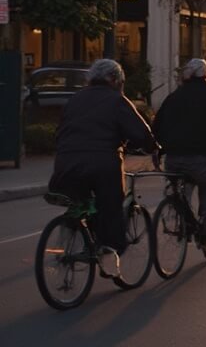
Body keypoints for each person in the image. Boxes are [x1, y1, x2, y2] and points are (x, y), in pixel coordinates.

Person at [48, 59, 157, 278]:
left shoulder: (75, 99)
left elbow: (59, 132)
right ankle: (109, 248)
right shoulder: (117, 100)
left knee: (80, 200)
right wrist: (153, 147)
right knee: (111, 204)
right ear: (115, 80)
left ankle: (75, 231)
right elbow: (140, 133)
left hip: (65, 164)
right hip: (103, 163)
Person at [153, 58, 206, 245]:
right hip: (198, 157)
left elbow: (157, 126)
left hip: (172, 158)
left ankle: (181, 218)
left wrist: (158, 148)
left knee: (179, 187)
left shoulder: (174, 96)